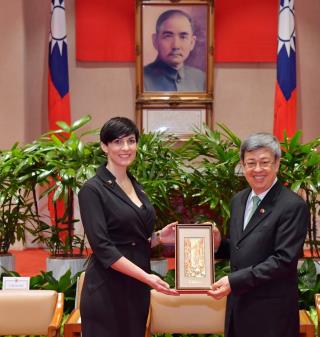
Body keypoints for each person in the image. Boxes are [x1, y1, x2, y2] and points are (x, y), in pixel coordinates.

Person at [78, 117, 178, 337]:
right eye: (117, 142)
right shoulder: (92, 190)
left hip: (135, 290)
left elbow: (132, 239)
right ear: (104, 146)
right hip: (107, 290)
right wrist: (147, 277)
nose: (126, 148)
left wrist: (159, 237)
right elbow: (103, 247)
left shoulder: (135, 184)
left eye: (131, 141)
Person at [208, 133, 309, 337]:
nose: (257, 170)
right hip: (238, 309)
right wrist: (219, 245)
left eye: (264, 162)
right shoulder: (238, 200)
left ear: (277, 164)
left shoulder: (292, 206)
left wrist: (233, 281)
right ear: (243, 166)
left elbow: (284, 260)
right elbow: (242, 247)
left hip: (271, 314)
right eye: (250, 163)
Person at [144, 9, 205, 92]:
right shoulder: (142, 79)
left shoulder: (201, 78)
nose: (176, 46)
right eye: (168, 36)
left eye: (183, 37)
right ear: (155, 41)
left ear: (192, 43)